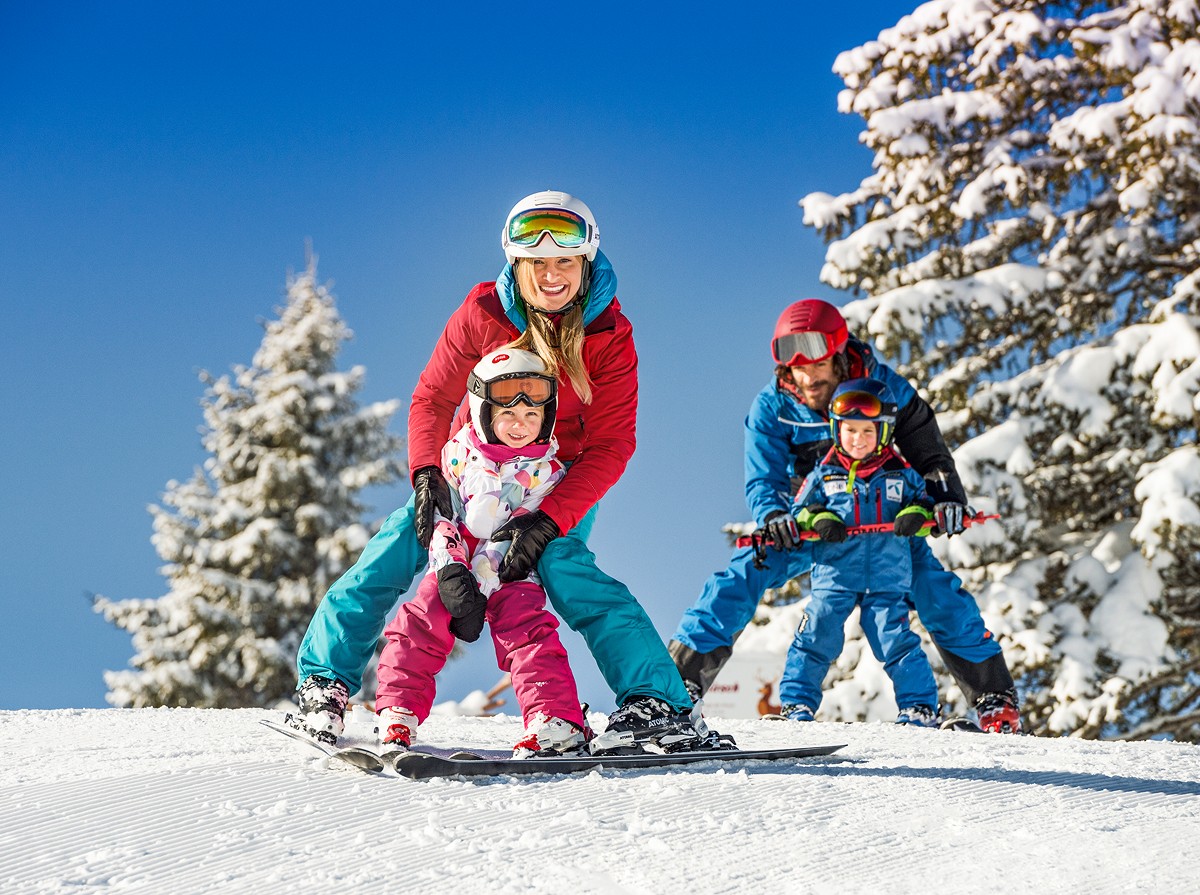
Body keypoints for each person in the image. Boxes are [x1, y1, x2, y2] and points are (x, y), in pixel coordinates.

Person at [292, 190, 712, 754]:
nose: (551, 274)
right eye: (537, 262)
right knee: (396, 547)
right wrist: (425, 475)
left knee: (564, 568)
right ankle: (325, 682)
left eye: (564, 260)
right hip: (472, 472)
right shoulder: (483, 313)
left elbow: (612, 444)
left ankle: (655, 703)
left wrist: (548, 520)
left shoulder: (610, 337)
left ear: (585, 261)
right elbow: (432, 400)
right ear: (516, 263)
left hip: (553, 482)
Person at [668, 298, 1022, 734]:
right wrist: (776, 516)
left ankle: (993, 701)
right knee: (741, 575)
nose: (805, 375)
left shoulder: (883, 388)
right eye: (793, 364)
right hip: (817, 525)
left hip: (886, 524)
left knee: (937, 591)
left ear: (837, 353)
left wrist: (945, 498)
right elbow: (763, 477)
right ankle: (674, 688)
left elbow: (928, 451)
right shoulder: (773, 406)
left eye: (815, 362)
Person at [374, 348, 589, 757]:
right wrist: (453, 569)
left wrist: (484, 579)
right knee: (422, 619)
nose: (520, 425)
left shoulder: (548, 473)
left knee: (527, 630)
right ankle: (397, 710)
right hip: (453, 560)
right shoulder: (456, 455)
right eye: (508, 413)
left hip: (510, 566)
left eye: (532, 416)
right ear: (484, 411)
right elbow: (443, 516)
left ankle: (554, 718)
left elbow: (519, 528)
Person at [776, 377, 940, 727]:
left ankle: (919, 707)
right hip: (835, 574)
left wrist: (915, 514)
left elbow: (925, 503)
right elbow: (800, 509)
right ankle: (796, 705)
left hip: (886, 576)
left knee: (895, 640)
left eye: (868, 432)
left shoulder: (900, 474)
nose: (858, 440)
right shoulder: (824, 474)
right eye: (850, 431)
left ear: (882, 433)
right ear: (837, 430)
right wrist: (819, 518)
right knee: (816, 632)